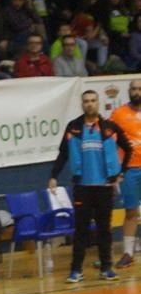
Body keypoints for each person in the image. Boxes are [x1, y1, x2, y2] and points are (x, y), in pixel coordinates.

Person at [49, 90, 130, 283]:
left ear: (98, 103)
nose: (90, 104)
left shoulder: (109, 128)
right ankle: (76, 270)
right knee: (81, 230)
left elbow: (129, 149)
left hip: (104, 186)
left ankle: (106, 268)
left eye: (93, 101)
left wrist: (121, 173)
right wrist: (53, 176)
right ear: (82, 104)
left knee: (104, 229)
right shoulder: (74, 127)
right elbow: (63, 154)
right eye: (86, 101)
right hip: (82, 187)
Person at [110, 79, 141, 268]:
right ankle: (128, 253)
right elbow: (108, 140)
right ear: (128, 91)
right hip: (130, 169)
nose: (137, 92)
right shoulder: (118, 114)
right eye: (134, 89)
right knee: (130, 211)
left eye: (140, 89)